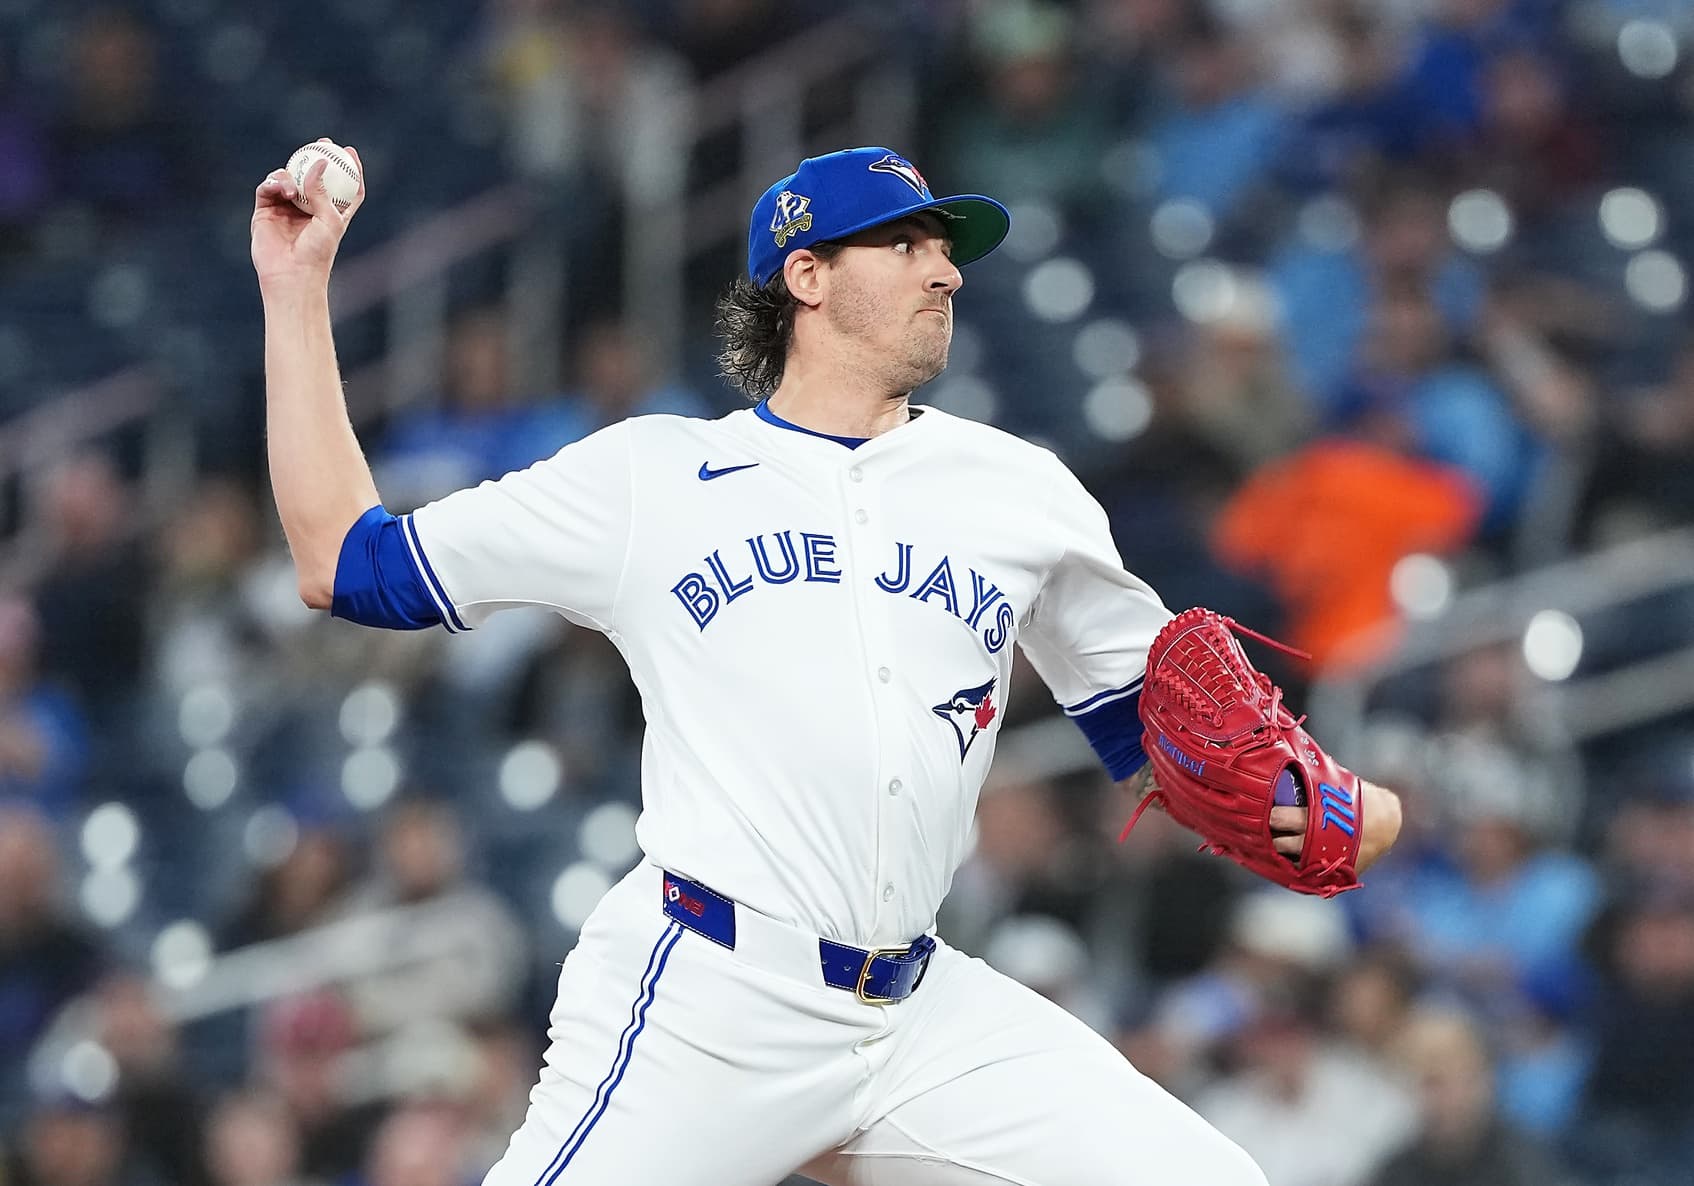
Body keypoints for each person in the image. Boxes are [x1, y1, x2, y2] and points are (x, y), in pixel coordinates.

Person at [252, 141, 1404, 1184]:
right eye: (903, 244)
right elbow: (344, 560)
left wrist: (1335, 800)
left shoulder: (1020, 491)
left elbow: (1167, 731)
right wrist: (296, 289)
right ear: (803, 276)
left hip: (914, 1012)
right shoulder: (651, 478)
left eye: (944, 251)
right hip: (711, 995)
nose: (942, 271)